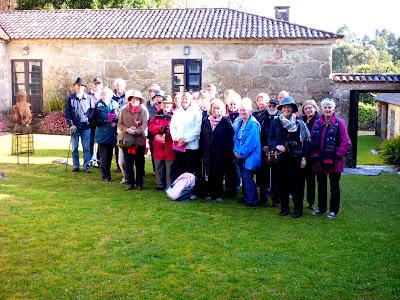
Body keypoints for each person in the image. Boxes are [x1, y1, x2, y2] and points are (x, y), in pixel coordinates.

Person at [268, 96, 310, 218]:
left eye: (289, 107)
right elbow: (270, 138)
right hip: (280, 158)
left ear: (292, 108)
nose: (286, 109)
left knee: (296, 185)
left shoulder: (299, 123)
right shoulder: (275, 122)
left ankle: (298, 210)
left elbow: (305, 142)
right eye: (284, 107)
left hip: (295, 158)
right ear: (281, 108)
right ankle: (284, 208)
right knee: (282, 185)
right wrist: (276, 145)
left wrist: (304, 158)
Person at [310, 98, 351, 219]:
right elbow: (312, 139)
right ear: (322, 109)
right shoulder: (317, 123)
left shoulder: (339, 123)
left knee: (334, 187)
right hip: (319, 160)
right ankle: (321, 209)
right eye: (325, 107)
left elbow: (346, 141)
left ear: (333, 109)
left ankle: (333, 210)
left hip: (334, 161)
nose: (327, 109)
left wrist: (337, 155)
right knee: (321, 185)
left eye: (329, 107)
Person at [200, 99, 235, 202]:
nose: (216, 110)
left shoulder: (225, 121)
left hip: (221, 153)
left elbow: (230, 137)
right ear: (211, 109)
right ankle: (210, 193)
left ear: (222, 109)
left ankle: (219, 194)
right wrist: (202, 151)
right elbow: (202, 136)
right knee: (209, 173)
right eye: (214, 107)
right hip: (208, 152)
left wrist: (226, 151)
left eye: (218, 108)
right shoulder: (206, 121)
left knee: (219, 173)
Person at [117, 90, 149, 190]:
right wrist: (127, 130)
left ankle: (140, 183)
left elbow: (144, 125)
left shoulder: (143, 111)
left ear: (140, 101)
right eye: (133, 99)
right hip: (127, 140)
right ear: (130, 100)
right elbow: (120, 124)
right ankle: (130, 183)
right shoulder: (124, 110)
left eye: (137, 99)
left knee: (139, 162)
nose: (135, 100)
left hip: (139, 140)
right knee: (128, 163)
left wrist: (135, 132)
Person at [233, 98, 262, 207]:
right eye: (240, 110)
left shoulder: (253, 124)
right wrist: (235, 150)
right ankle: (246, 197)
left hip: (251, 155)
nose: (242, 112)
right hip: (241, 154)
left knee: (247, 177)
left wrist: (240, 153)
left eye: (244, 110)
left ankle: (253, 200)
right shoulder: (240, 122)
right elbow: (236, 138)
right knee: (244, 177)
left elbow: (251, 143)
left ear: (249, 111)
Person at [64, 77, 95, 173]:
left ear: (84, 87)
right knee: (74, 148)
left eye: (80, 86)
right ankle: (76, 166)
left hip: (86, 127)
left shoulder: (89, 98)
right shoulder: (70, 98)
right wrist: (71, 124)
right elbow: (67, 112)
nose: (78, 87)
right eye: (77, 85)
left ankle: (86, 166)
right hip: (75, 127)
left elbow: (92, 111)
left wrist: (88, 119)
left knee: (86, 148)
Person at [170, 92, 202, 177]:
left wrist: (186, 140)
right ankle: (180, 189)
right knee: (179, 169)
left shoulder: (196, 112)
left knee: (190, 170)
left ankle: (190, 189)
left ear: (190, 100)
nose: (184, 100)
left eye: (186, 99)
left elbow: (197, 129)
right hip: (179, 146)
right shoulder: (177, 112)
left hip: (191, 147)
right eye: (183, 98)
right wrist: (178, 138)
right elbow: (172, 127)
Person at [148, 95, 175, 190]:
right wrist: (160, 128)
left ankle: (169, 184)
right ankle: (159, 184)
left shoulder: (174, 115)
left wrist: (167, 130)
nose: (166, 105)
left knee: (169, 165)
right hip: (158, 144)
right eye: (164, 103)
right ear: (162, 104)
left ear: (171, 105)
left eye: (168, 104)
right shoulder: (156, 115)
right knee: (158, 164)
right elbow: (151, 127)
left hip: (169, 144)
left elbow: (176, 128)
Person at [94, 87, 119, 182]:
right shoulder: (97, 105)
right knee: (104, 156)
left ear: (111, 95)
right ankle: (105, 176)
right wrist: (105, 121)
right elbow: (95, 120)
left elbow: (118, 116)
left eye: (107, 94)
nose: (105, 96)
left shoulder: (115, 104)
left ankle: (108, 174)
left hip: (113, 133)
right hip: (102, 134)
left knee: (110, 156)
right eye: (103, 94)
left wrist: (113, 121)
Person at [299, 100, 320, 209]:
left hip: (312, 155)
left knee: (311, 180)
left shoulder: (318, 121)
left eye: (310, 108)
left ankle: (311, 202)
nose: (308, 110)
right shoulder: (301, 120)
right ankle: (299, 200)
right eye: (306, 108)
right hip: (301, 153)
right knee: (300, 179)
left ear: (315, 108)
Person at [261, 97, 281, 207]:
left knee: (275, 175)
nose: (272, 107)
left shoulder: (279, 118)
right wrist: (264, 146)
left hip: (276, 150)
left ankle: (276, 199)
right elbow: (262, 133)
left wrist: (273, 148)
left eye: (274, 106)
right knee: (264, 174)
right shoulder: (264, 117)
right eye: (270, 105)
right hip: (264, 149)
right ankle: (264, 197)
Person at [252, 93, 270, 203]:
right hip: (255, 145)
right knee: (257, 170)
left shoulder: (268, 115)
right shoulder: (254, 114)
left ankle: (265, 195)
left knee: (264, 171)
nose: (261, 102)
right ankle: (257, 192)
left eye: (263, 100)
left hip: (264, 146)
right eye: (259, 100)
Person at [112, 78, 126, 173]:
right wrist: (114, 117)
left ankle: (125, 164)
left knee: (124, 143)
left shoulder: (127, 96)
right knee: (116, 145)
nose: (118, 87)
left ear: (124, 86)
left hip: (124, 124)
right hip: (114, 124)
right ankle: (118, 165)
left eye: (120, 85)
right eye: (117, 85)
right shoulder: (112, 97)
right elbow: (110, 112)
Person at [88, 77, 104, 167]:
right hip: (92, 123)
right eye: (95, 83)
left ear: (101, 85)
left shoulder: (105, 94)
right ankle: (92, 159)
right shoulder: (88, 95)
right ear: (93, 84)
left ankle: (99, 160)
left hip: (102, 123)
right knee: (92, 142)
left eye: (99, 83)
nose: (97, 85)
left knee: (101, 142)